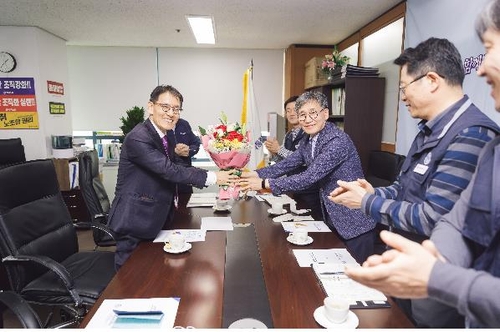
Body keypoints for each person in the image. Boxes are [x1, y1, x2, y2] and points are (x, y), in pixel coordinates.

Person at [344, 0, 500, 328]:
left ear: (431, 80)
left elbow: (434, 216)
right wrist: (377, 192)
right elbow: (407, 186)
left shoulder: (472, 134)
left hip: (438, 281)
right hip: (414, 263)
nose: (402, 96)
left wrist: (367, 202)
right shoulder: (430, 128)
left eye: (404, 87)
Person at [108, 85, 237, 270]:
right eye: (165, 107)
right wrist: (215, 177)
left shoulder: (165, 135)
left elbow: (177, 166)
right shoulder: (138, 137)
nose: (171, 114)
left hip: (156, 217)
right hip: (135, 221)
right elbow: (169, 170)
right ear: (151, 107)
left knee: (156, 275)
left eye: (176, 109)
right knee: (130, 281)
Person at [239, 90, 376, 263]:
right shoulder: (309, 140)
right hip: (331, 215)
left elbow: (309, 177)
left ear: (325, 114)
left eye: (313, 113)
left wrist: (264, 183)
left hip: (354, 222)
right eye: (302, 114)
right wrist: (254, 173)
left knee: (358, 281)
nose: (307, 119)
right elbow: (287, 164)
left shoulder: (337, 140)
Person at [264, 95, 321, 216]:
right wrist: (273, 152)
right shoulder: (289, 135)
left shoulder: (310, 133)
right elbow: (284, 163)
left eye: (295, 109)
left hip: (309, 190)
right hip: (293, 188)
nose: (291, 113)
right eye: (288, 110)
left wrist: (279, 149)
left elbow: (305, 160)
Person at [166, 118, 201, 193]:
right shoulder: (159, 126)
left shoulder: (183, 124)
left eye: (177, 109)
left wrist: (189, 150)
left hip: (185, 179)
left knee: (184, 202)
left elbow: (195, 143)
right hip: (166, 180)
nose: (174, 113)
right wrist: (174, 152)